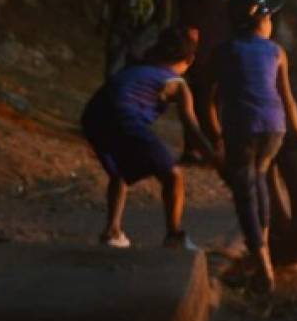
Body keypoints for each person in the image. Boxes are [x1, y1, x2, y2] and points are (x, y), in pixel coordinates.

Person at [80, 26, 220, 250]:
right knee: (173, 175)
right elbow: (192, 128)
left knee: (120, 170)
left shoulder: (141, 68)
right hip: (123, 115)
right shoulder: (178, 84)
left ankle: (112, 231)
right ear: (190, 60)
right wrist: (214, 158)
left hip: (93, 114)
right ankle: (174, 235)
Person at [211, 0, 297, 293]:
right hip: (274, 128)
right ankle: (263, 252)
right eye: (268, 19)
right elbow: (288, 98)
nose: (271, 24)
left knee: (245, 192)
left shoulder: (225, 51)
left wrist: (217, 135)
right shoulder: (277, 52)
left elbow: (210, 98)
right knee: (261, 180)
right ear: (260, 22)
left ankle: (264, 266)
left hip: (241, 128)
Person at [176, 0, 259, 163]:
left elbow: (221, 5)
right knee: (202, 95)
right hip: (200, 46)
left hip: (217, 44)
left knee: (210, 96)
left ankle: (198, 146)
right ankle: (210, 145)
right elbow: (209, 2)